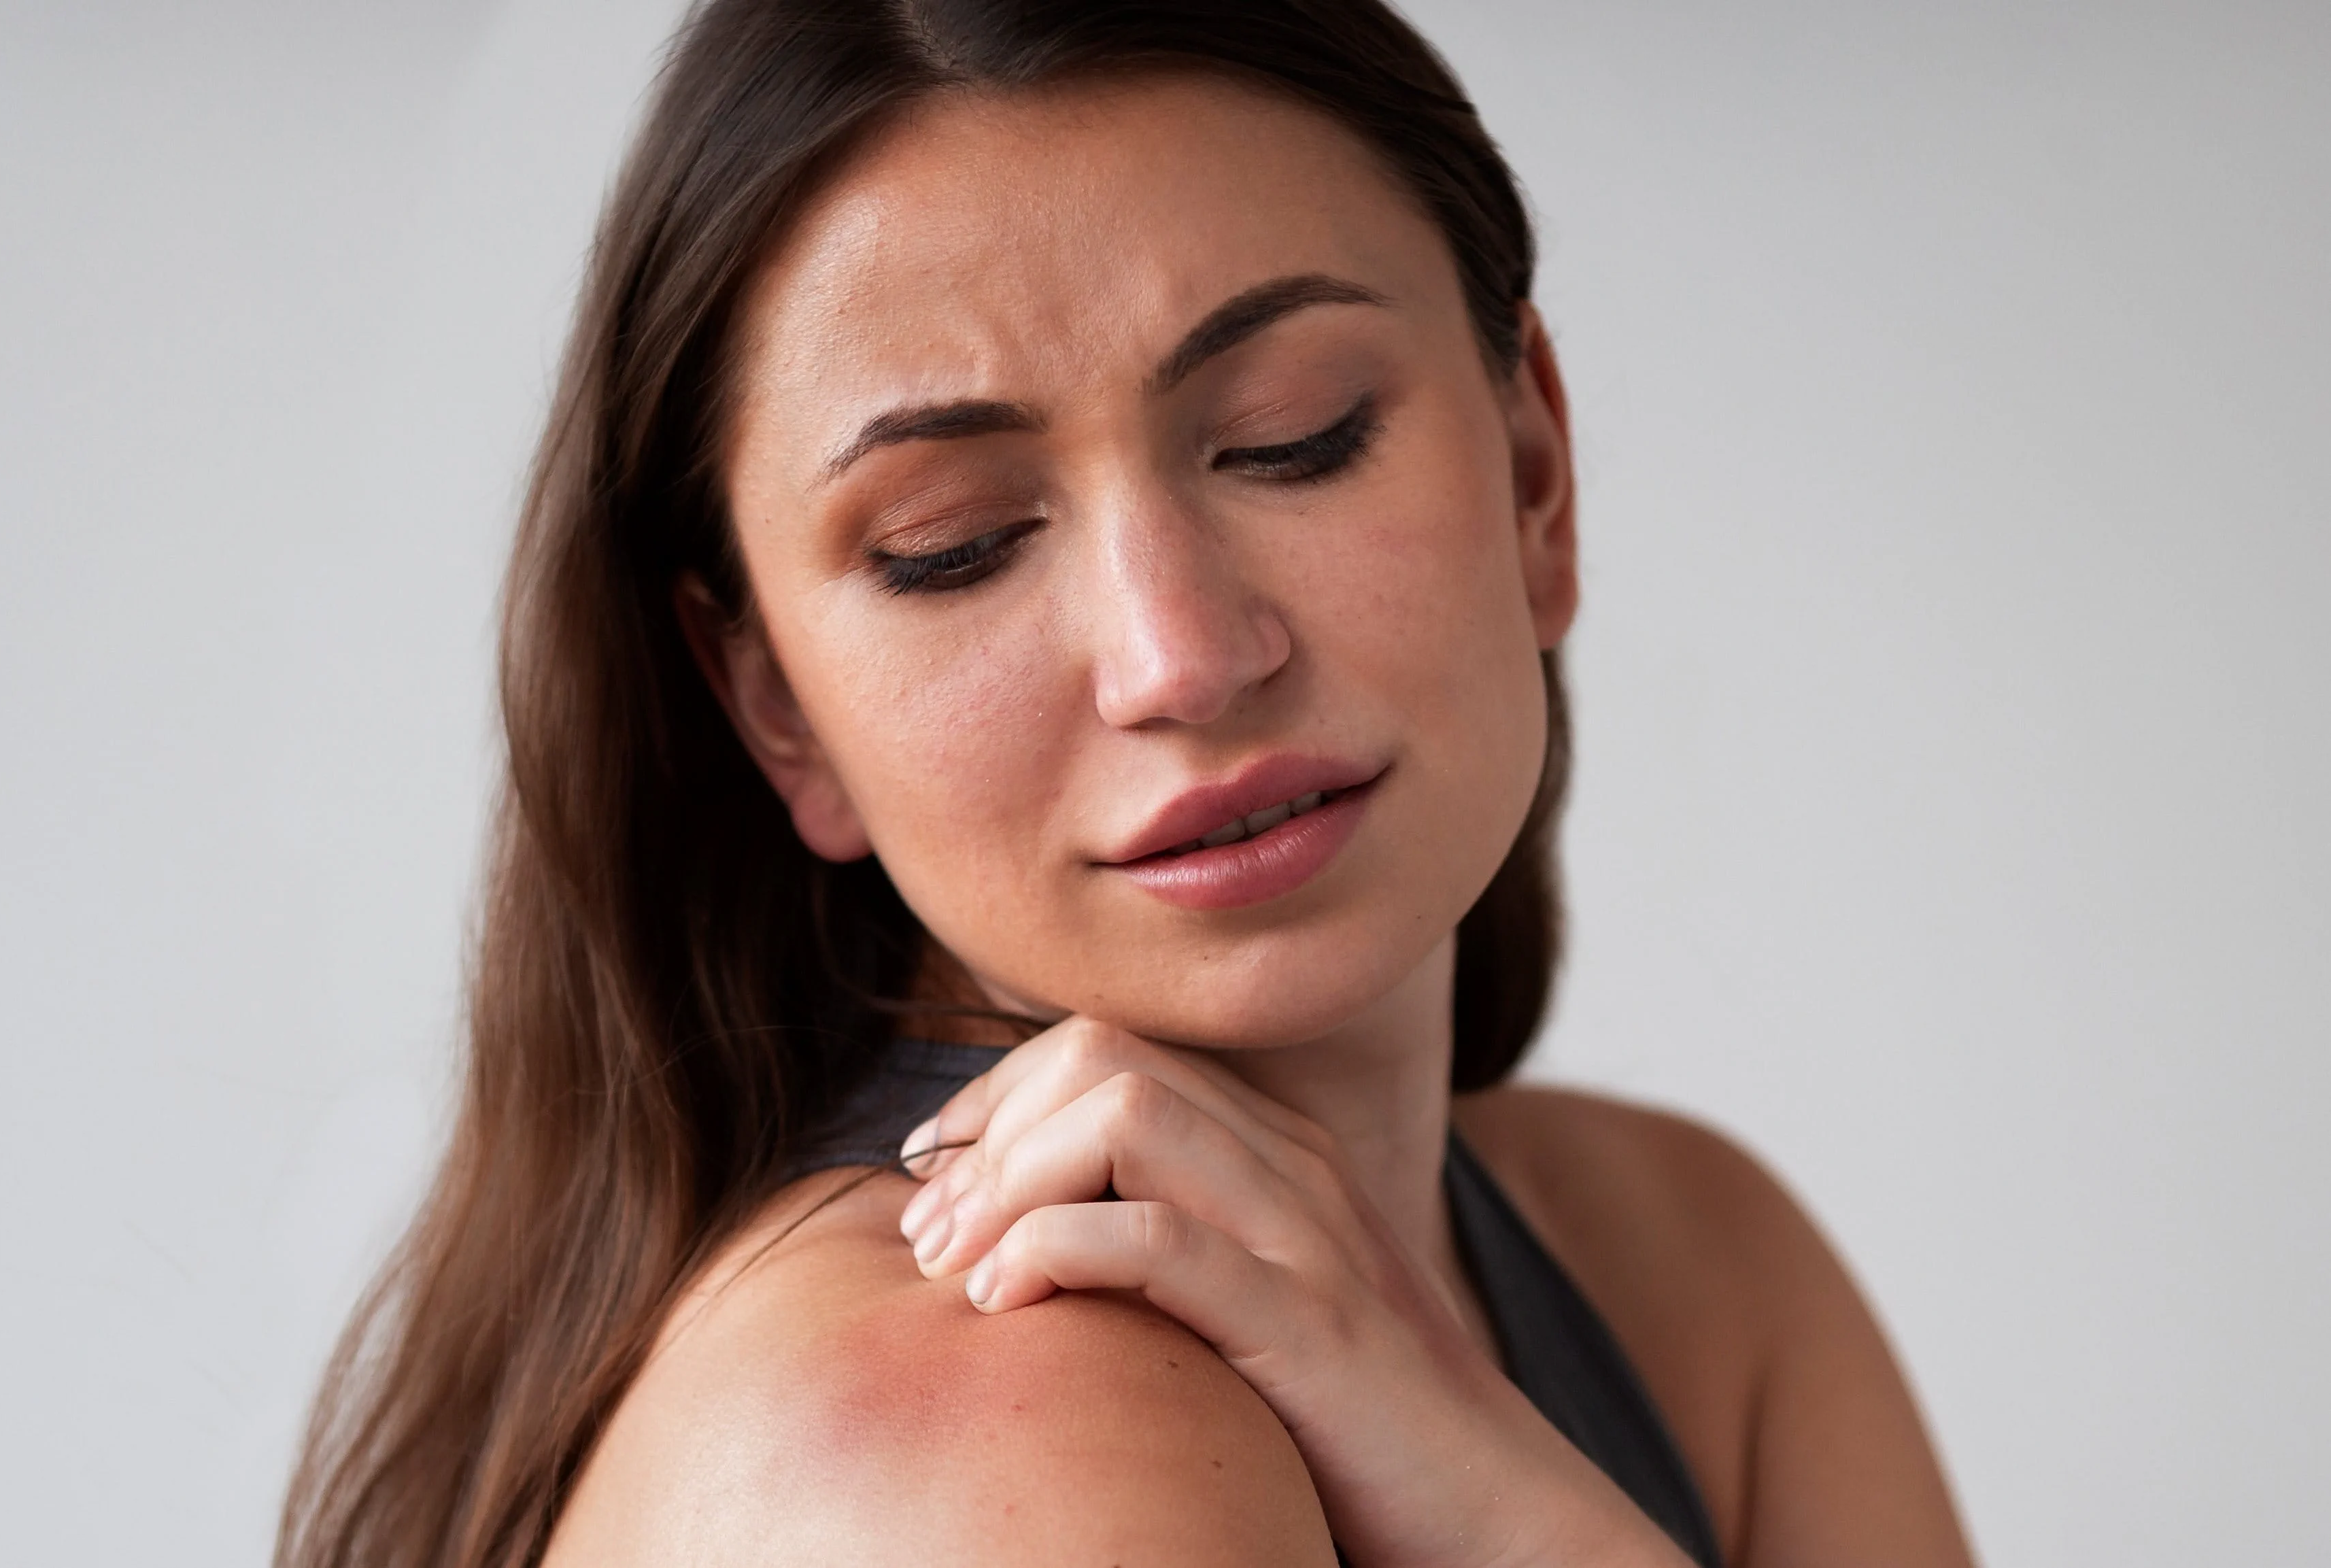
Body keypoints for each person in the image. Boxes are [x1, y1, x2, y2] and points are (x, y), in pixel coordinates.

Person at [280, 3, 1977, 1565]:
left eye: (1291, 436)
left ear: (1535, 474)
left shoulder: (1688, 1260)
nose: (1177, 653)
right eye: (955, 548)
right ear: (775, 706)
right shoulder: (994, 1419)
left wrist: (1502, 1492)